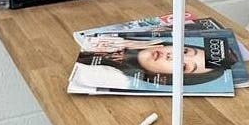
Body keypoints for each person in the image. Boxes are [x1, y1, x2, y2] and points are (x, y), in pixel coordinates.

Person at [77, 39, 237, 87]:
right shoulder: (122, 40)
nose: (171, 56)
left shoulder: (115, 79)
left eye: (182, 66)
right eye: (184, 51)